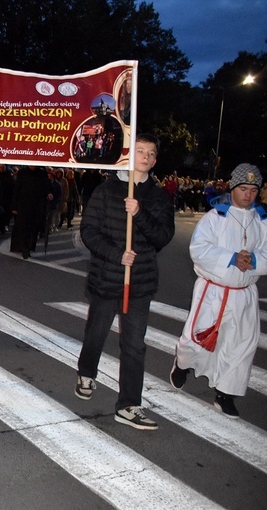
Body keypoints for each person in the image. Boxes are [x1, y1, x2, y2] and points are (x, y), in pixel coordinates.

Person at [74, 133, 174, 431]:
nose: (145, 157)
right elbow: (89, 232)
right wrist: (117, 255)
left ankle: (129, 404)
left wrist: (139, 213)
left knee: (134, 345)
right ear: (130, 154)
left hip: (139, 283)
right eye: (140, 151)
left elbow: (162, 237)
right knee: (97, 332)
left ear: (155, 160)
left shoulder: (158, 196)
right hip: (106, 277)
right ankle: (86, 371)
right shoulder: (105, 191)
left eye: (150, 153)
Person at [171, 163, 267, 418]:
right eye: (243, 188)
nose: (248, 194)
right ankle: (181, 364)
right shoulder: (215, 218)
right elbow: (199, 250)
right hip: (213, 292)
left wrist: (255, 261)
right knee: (196, 339)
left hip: (244, 295)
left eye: (254, 189)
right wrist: (231, 258)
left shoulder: (262, 221)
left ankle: (226, 394)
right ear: (233, 188)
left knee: (241, 346)